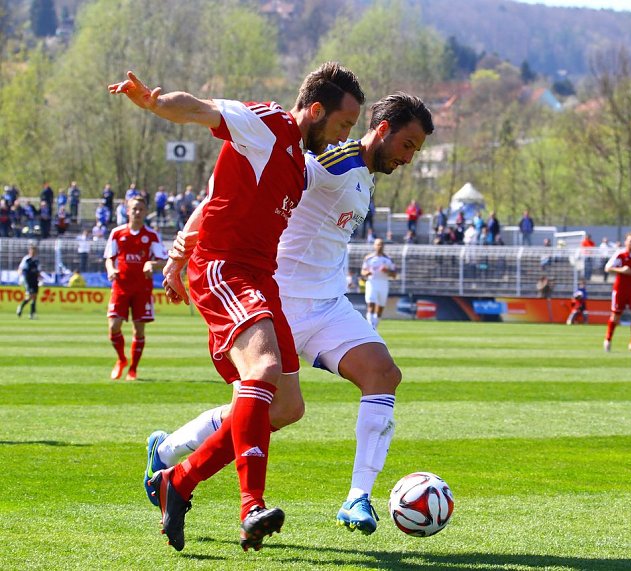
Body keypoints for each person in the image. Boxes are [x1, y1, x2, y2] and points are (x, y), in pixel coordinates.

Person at [143, 93, 433, 538]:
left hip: (327, 305)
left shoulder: (362, 176)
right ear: (383, 129)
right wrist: (182, 248)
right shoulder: (329, 162)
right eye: (408, 144)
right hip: (277, 296)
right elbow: (231, 193)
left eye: (416, 150)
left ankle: (357, 497)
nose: (409, 157)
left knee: (380, 375)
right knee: (268, 405)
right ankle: (176, 458)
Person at [109, 62, 364, 552]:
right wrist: (156, 104)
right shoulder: (268, 123)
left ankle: (177, 481)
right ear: (315, 110)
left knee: (287, 407)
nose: (341, 137)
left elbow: (215, 198)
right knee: (263, 368)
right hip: (225, 269)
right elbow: (203, 110)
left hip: (258, 276)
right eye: (341, 125)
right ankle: (251, 507)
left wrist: (178, 250)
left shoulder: (297, 162)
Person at [104, 197, 168, 381]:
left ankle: (133, 369)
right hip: (121, 286)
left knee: (138, 330)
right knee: (113, 326)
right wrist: (111, 269)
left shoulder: (152, 235)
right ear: (127, 211)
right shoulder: (117, 233)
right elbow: (109, 257)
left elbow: (164, 260)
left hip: (142, 288)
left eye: (141, 209)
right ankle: (121, 359)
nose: (137, 212)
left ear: (146, 212)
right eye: (134, 209)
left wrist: (152, 264)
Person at [603, 233, 631, 352]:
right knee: (615, 317)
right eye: (630, 241)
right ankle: (608, 339)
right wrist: (621, 270)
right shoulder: (620, 255)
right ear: (625, 242)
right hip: (620, 290)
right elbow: (607, 268)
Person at [362, 238, 398, 330]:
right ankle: (370, 326)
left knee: (380, 307)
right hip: (372, 283)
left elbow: (394, 275)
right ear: (374, 246)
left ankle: (375, 326)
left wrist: (387, 271)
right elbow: (363, 272)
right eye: (378, 244)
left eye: (381, 244)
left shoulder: (388, 259)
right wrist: (367, 273)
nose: (379, 246)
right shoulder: (368, 258)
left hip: (383, 283)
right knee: (371, 303)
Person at [16, 244, 40, 319]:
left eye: (34, 251)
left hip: (35, 280)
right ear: (29, 251)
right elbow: (20, 268)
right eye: (32, 250)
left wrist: (40, 278)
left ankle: (31, 313)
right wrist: (20, 277)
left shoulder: (37, 260)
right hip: (28, 280)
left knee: (34, 296)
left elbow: (38, 271)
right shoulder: (26, 259)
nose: (33, 252)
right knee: (31, 296)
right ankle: (22, 308)